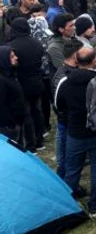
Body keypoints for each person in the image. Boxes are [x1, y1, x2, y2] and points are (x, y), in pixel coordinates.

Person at [56, 47, 96, 218]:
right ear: (95, 60)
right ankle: (95, 205)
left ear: (76, 61)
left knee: (72, 170)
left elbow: (59, 105)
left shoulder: (65, 81)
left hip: (75, 132)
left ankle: (69, 205)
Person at [10, 18, 46, 152]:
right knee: (37, 110)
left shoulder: (12, 45)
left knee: (27, 114)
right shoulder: (36, 43)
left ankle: (31, 144)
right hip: (37, 82)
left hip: (22, 84)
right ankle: (40, 139)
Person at [0, 46, 25, 142]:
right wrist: (12, 124)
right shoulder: (2, 80)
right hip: (8, 127)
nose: (16, 58)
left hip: (16, 123)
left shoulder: (10, 74)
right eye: (12, 56)